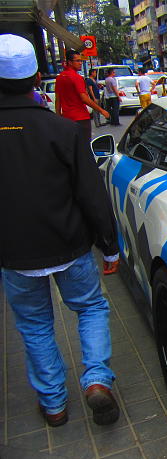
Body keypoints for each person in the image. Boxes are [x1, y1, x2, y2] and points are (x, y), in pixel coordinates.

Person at [0, 34, 121, 428]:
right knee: (89, 307)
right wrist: (109, 246)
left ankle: (53, 404)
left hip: (14, 253)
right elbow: (91, 194)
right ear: (37, 76)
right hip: (69, 245)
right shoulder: (64, 131)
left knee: (34, 324)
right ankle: (97, 381)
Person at [55, 50, 109, 142]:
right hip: (80, 118)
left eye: (81, 61)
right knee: (84, 147)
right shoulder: (77, 77)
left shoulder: (60, 78)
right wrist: (101, 110)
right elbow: (84, 98)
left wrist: (58, 117)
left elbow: (58, 100)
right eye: (78, 61)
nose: (80, 63)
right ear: (70, 62)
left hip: (66, 119)